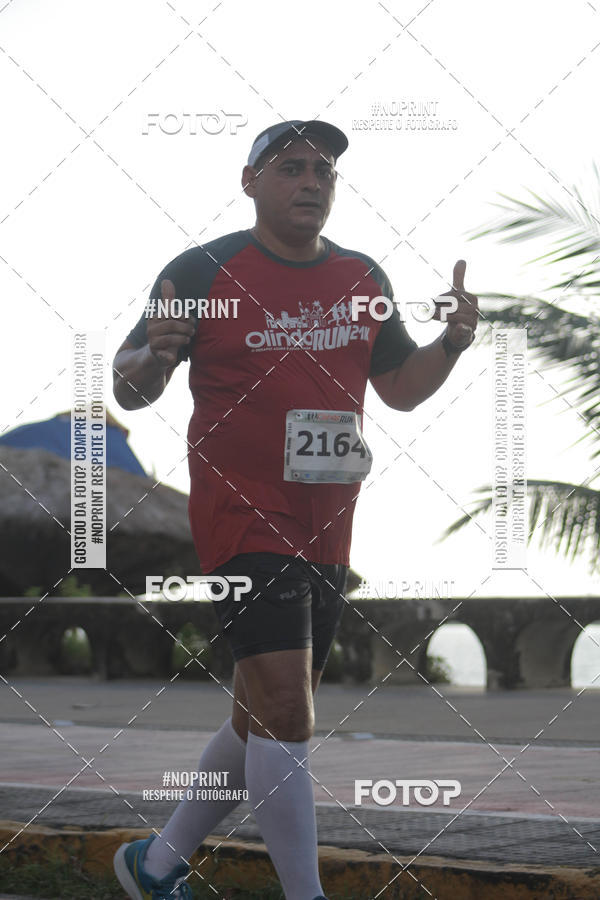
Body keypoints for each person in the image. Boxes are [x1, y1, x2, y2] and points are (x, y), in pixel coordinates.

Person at [111, 119, 478, 900]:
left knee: (261, 715)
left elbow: (400, 390)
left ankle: (157, 863)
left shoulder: (362, 275)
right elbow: (130, 385)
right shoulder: (203, 270)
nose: (311, 181)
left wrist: (450, 343)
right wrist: (154, 354)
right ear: (250, 182)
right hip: (242, 516)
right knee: (285, 708)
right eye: (290, 168)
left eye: (323, 170)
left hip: (328, 526)